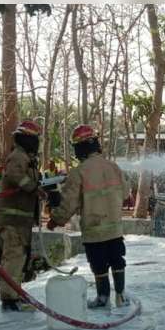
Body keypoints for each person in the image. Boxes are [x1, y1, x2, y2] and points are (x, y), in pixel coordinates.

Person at [48, 124, 128, 308]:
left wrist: (56, 220)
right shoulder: (113, 167)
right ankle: (121, 296)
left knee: (99, 265)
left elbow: (68, 203)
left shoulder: (79, 172)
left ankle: (103, 298)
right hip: (115, 229)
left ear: (79, 148)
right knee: (117, 260)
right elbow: (125, 194)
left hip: (94, 231)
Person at [0, 120, 43, 312]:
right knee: (13, 258)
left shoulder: (26, 157)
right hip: (13, 219)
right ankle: (9, 298)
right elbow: (16, 176)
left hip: (21, 219)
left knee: (18, 258)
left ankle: (14, 293)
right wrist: (34, 188)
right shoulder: (18, 156)